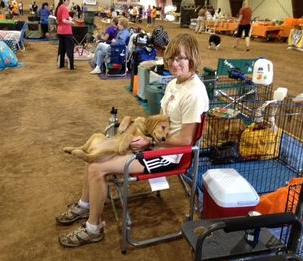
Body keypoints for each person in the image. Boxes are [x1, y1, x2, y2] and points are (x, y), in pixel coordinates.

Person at [56, 33, 209, 247]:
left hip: (170, 156)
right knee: (97, 152)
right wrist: (141, 128)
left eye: (181, 58)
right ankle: (85, 204)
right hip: (154, 144)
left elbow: (185, 140)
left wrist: (150, 143)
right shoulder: (176, 83)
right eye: (172, 58)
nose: (175, 63)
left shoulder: (194, 92)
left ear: (192, 59)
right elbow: (161, 122)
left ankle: (94, 228)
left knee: (97, 168)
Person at [56, 0, 75, 70]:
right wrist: (71, 22)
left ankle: (60, 64)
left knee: (61, 49)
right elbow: (64, 20)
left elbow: (57, 21)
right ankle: (71, 66)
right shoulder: (64, 8)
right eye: (68, 0)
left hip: (60, 31)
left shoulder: (59, 7)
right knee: (69, 49)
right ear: (63, 1)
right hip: (67, 31)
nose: (69, 2)